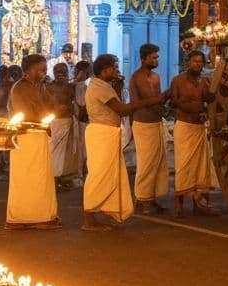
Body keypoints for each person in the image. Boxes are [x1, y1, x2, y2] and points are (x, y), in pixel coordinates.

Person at [83, 53, 164, 230]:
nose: (117, 70)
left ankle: (107, 210)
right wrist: (150, 101)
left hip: (107, 133)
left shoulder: (103, 85)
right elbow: (121, 110)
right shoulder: (99, 87)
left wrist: (118, 87)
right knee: (99, 175)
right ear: (105, 70)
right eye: (114, 67)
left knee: (110, 175)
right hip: (102, 133)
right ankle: (89, 220)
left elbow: (115, 105)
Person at [6, 54, 61, 230]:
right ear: (30, 70)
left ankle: (35, 215)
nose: (45, 73)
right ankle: (30, 217)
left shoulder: (38, 87)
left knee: (39, 177)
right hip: (27, 136)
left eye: (45, 69)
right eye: (42, 70)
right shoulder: (22, 88)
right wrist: (45, 114)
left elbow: (50, 107)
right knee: (30, 178)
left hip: (37, 135)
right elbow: (31, 113)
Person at [170, 50, 216, 216]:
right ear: (187, 62)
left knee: (201, 167)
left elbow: (209, 99)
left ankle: (200, 206)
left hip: (198, 128)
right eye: (195, 61)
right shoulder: (178, 80)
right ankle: (179, 205)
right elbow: (176, 102)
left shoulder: (204, 81)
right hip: (184, 126)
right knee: (183, 165)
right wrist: (199, 107)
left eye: (200, 61)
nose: (198, 64)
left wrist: (213, 94)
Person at [130, 44, 170, 214]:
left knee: (157, 162)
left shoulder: (156, 77)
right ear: (144, 58)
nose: (156, 60)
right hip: (143, 123)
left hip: (156, 122)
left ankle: (151, 198)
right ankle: (142, 198)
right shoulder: (137, 77)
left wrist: (164, 104)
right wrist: (165, 97)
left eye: (157, 57)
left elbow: (158, 100)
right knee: (146, 162)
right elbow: (149, 99)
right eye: (153, 57)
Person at [45, 63, 78, 189]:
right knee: (54, 151)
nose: (61, 74)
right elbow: (45, 105)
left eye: (63, 71)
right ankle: (53, 177)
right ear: (53, 72)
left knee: (66, 153)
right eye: (58, 71)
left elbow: (73, 102)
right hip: (53, 122)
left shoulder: (70, 87)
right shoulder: (48, 87)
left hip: (67, 121)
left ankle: (62, 177)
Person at [73, 60, 92, 178]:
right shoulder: (79, 85)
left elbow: (82, 104)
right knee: (82, 147)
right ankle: (81, 172)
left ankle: (83, 172)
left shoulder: (85, 85)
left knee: (84, 148)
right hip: (81, 119)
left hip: (85, 119)